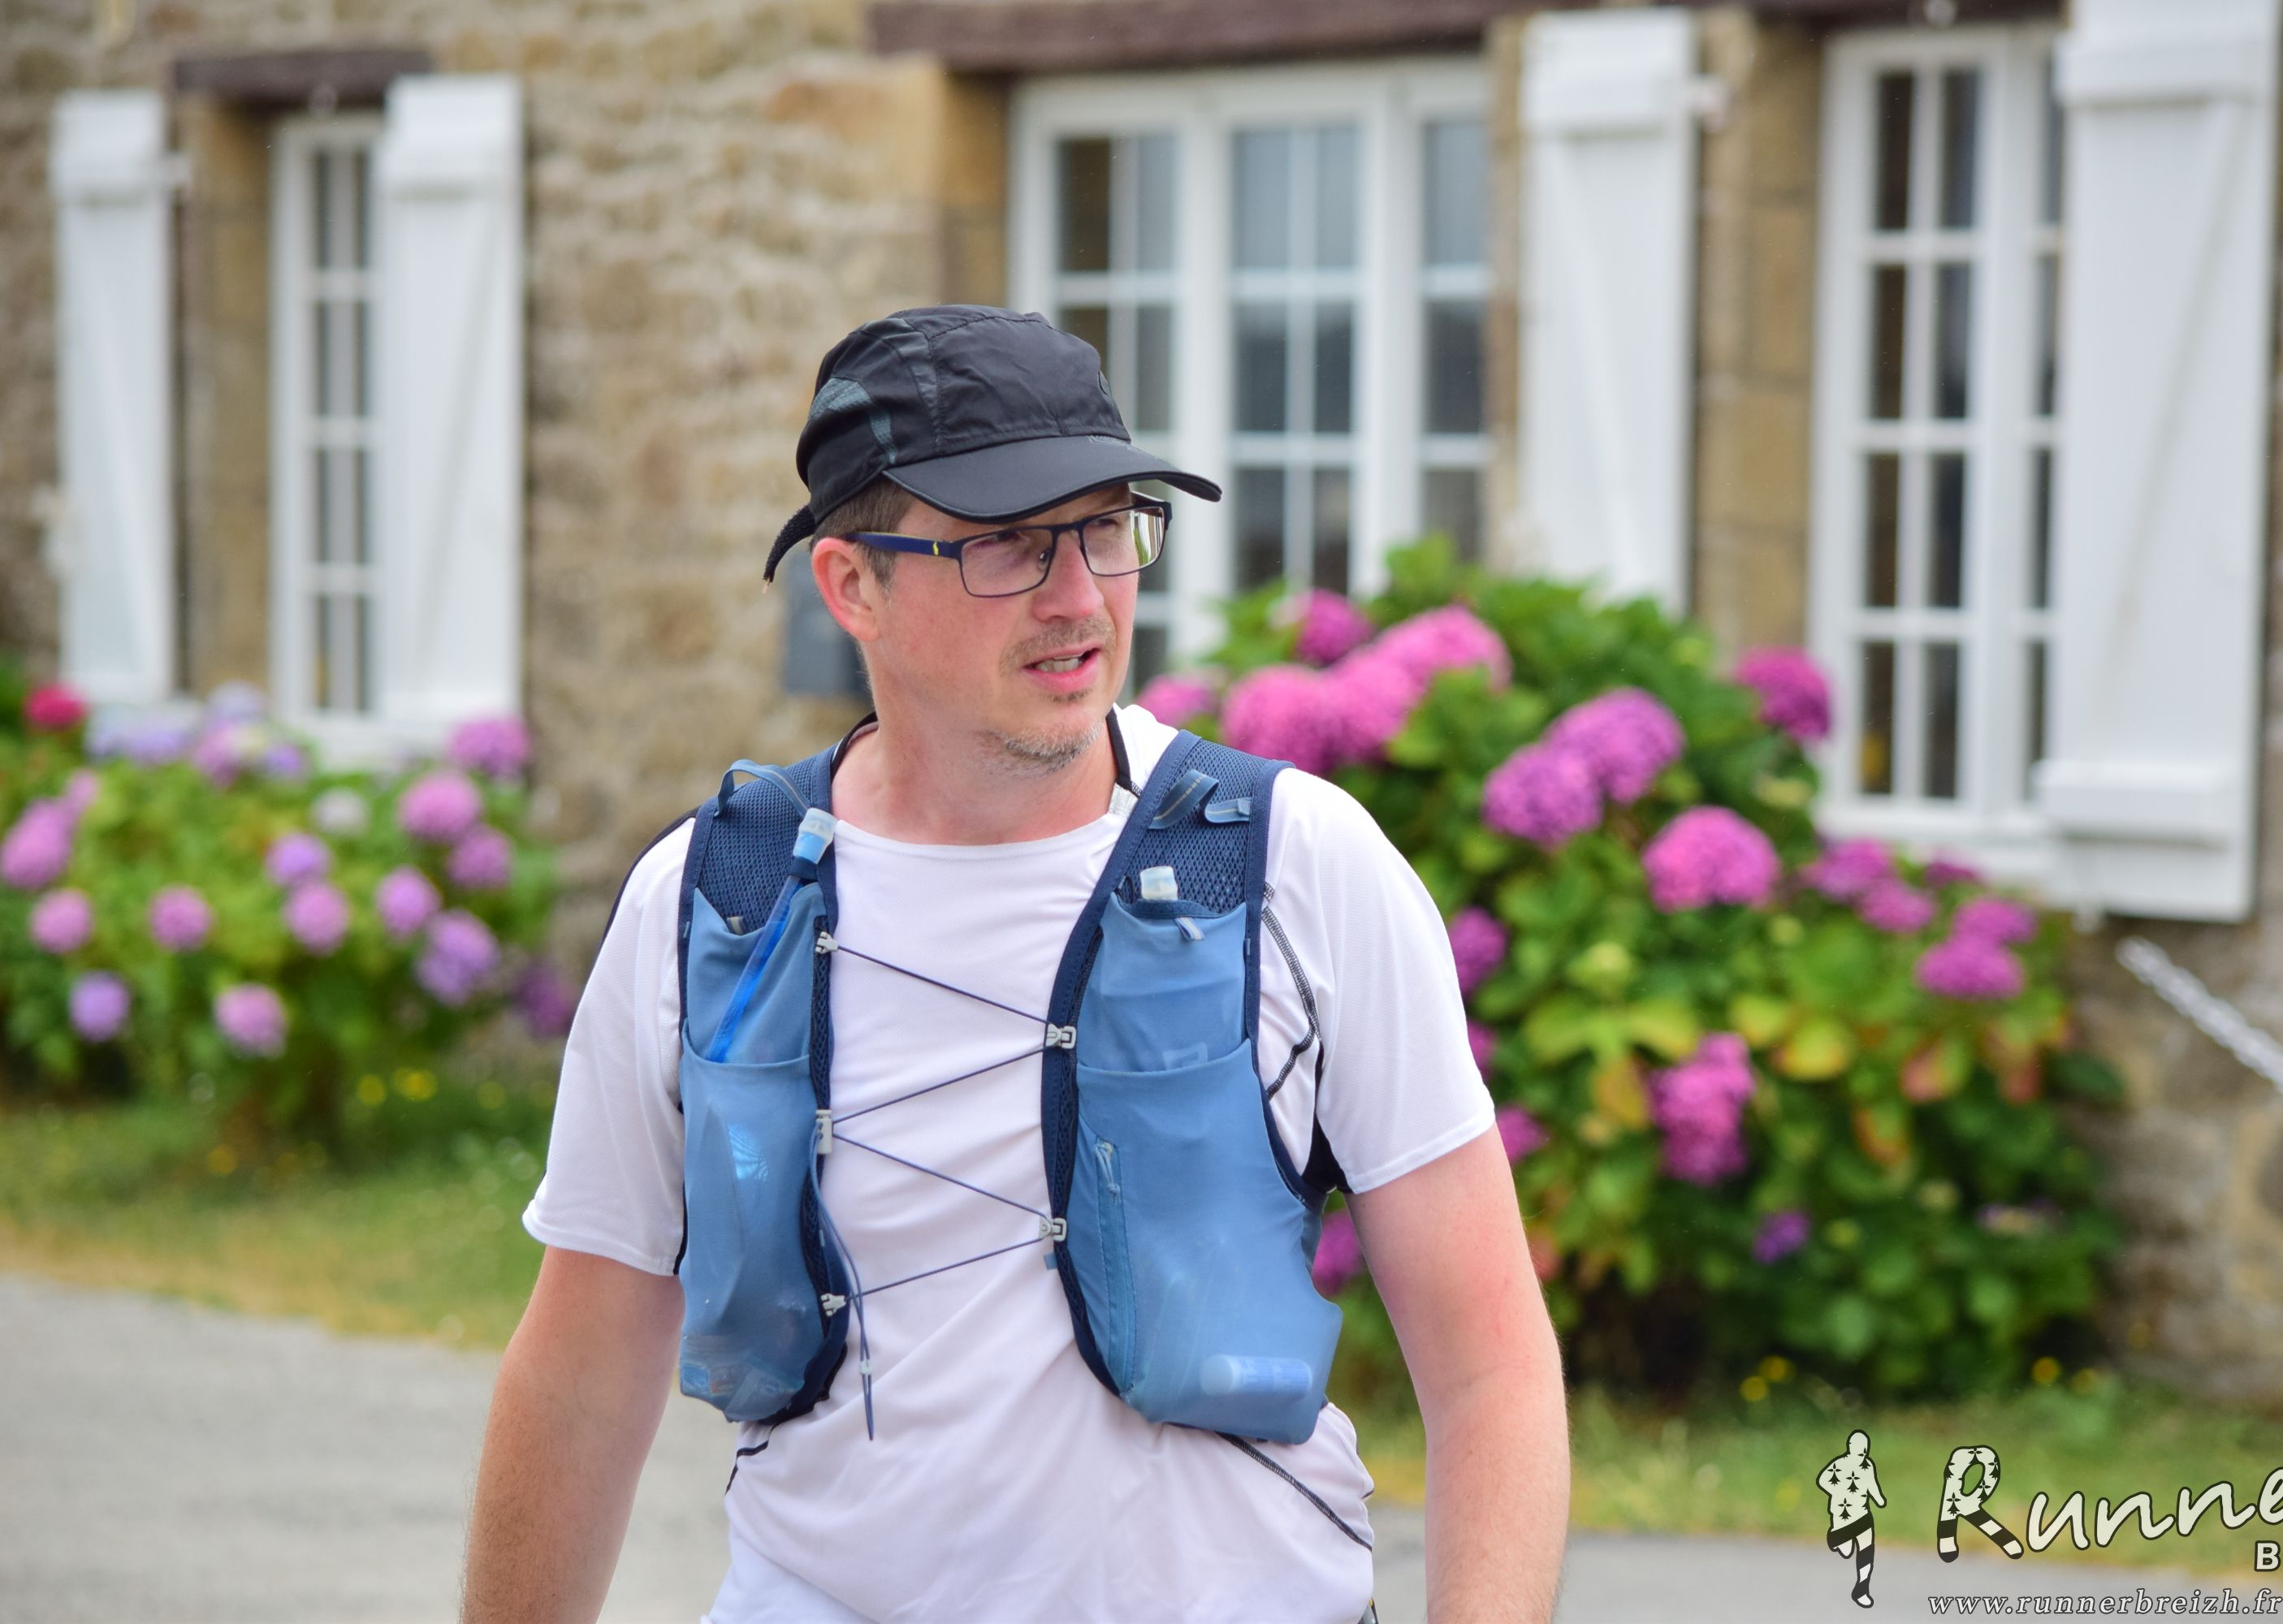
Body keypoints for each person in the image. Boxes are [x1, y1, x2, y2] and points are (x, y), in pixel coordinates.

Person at [460, 305, 1568, 1623]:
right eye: (1008, 544)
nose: (1079, 595)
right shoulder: (715, 901)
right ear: (851, 585)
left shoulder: (1294, 864)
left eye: (1106, 530)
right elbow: (580, 1381)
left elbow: (1491, 1370)